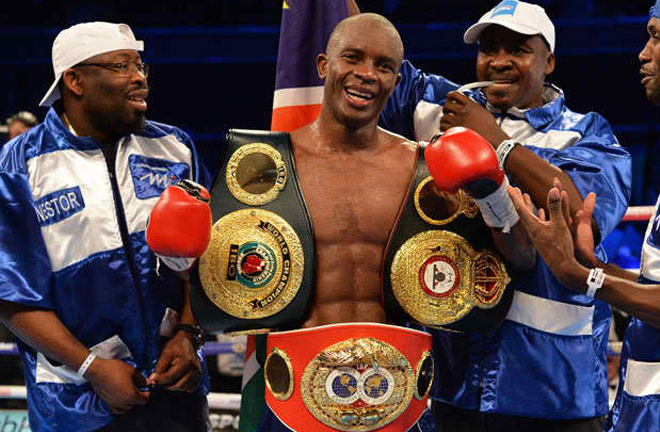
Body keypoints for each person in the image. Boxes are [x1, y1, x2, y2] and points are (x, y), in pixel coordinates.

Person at [160, 12, 533, 432]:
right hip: (293, 402)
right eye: (353, 58)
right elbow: (215, 279)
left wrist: (492, 193)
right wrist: (175, 257)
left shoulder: (426, 171)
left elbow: (515, 263)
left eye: (384, 65)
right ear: (324, 65)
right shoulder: (262, 168)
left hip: (402, 401)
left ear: (395, 80)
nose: (367, 75)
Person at [368, 1, 632, 430]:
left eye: (518, 49)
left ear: (550, 62)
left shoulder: (588, 132)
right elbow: (371, 55)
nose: (499, 61)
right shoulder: (444, 110)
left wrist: (495, 141)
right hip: (454, 383)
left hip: (552, 390)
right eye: (488, 48)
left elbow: (580, 215)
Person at [0, 22, 211, 432]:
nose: (139, 78)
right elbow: (10, 294)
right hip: (74, 401)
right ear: (75, 81)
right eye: (120, 66)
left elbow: (205, 260)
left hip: (176, 390)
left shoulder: (175, 148)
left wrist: (188, 334)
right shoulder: (17, 167)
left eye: (140, 67)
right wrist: (92, 366)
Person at [508, 2, 660, 430]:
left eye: (657, 36)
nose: (643, 53)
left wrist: (581, 279)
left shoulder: (591, 134)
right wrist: (595, 266)